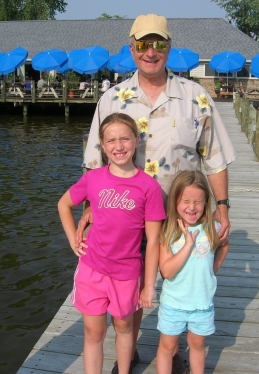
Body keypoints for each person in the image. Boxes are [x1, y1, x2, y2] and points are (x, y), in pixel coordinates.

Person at [77, 13, 236, 374]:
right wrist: (88, 210)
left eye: (159, 44)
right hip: (124, 215)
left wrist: (222, 208)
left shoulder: (195, 95)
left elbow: (215, 157)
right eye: (143, 44)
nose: (151, 51)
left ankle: (174, 347)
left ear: (169, 47)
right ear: (131, 48)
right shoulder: (112, 97)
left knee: (178, 279)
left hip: (182, 213)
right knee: (129, 280)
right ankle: (128, 349)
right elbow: (93, 162)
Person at [58, 113, 165, 374]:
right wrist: (74, 238)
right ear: (103, 146)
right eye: (111, 140)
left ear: (136, 141)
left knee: (124, 327)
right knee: (94, 332)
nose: (119, 146)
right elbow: (64, 204)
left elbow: (153, 241)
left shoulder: (149, 187)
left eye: (125, 138)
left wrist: (148, 286)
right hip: (92, 269)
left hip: (127, 274)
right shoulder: (93, 178)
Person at [156, 170, 229, 374]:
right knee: (167, 347)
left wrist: (210, 271)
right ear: (175, 201)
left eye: (198, 202)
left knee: (197, 345)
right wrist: (188, 245)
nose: (192, 207)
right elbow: (167, 271)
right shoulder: (168, 232)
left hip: (202, 304)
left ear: (206, 202)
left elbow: (224, 245)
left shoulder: (212, 228)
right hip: (173, 304)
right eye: (185, 201)